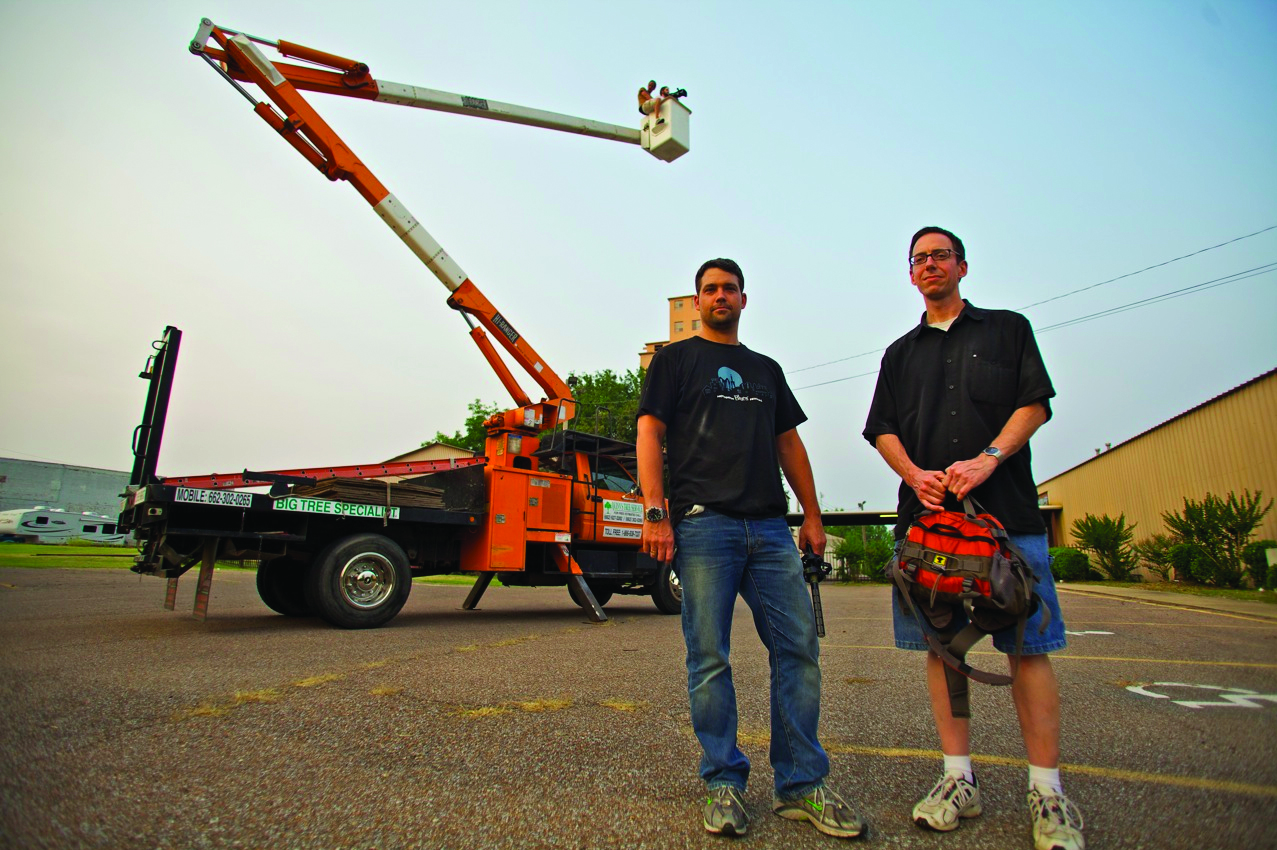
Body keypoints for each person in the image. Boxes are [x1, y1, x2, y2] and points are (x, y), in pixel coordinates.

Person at [863, 227, 1084, 850]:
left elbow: (1034, 406)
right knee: (942, 650)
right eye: (919, 259)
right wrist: (913, 474)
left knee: (1029, 644)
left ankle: (1047, 791)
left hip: (1006, 520)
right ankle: (958, 779)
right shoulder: (899, 354)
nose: (930, 265)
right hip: (927, 527)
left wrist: (988, 459)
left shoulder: (1007, 330)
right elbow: (881, 429)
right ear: (910, 276)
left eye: (940, 255)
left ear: (962, 265)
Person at [636, 258, 865, 840]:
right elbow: (649, 433)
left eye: (729, 289)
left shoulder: (765, 370)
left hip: (768, 529)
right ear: (697, 301)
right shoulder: (674, 361)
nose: (720, 296)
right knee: (709, 657)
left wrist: (811, 516)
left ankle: (801, 783)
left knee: (799, 650)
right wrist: (656, 514)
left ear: (744, 299)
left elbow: (788, 441)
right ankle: (723, 783)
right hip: (703, 526)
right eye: (709, 289)